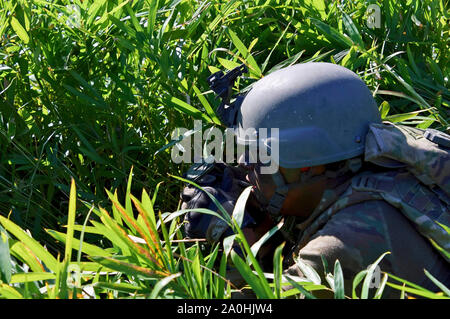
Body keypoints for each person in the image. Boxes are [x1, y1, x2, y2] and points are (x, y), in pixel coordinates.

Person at [180, 62, 450, 298]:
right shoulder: (382, 159)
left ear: (307, 164)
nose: (243, 162)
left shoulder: (349, 239)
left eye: (259, 155)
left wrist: (234, 242)